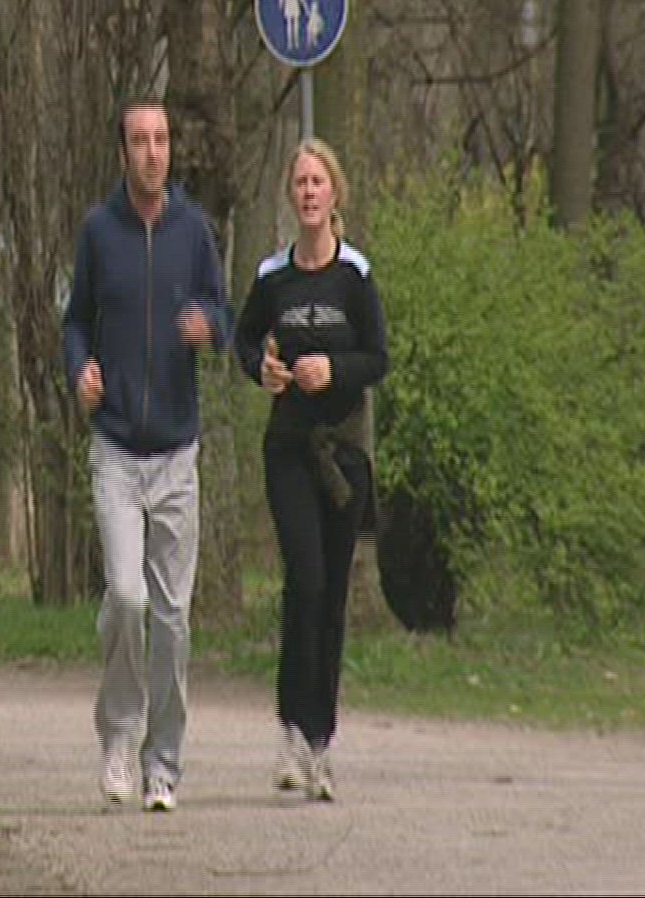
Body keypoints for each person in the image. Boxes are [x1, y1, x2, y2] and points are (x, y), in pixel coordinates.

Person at [62, 100, 232, 812]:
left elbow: (224, 315)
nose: (152, 151)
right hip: (115, 448)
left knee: (171, 617)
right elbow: (76, 321)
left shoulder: (194, 230)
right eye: (139, 140)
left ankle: (163, 762)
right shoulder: (100, 232)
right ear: (123, 152)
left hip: (176, 451)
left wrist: (207, 327)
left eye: (161, 139)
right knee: (126, 597)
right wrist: (81, 370)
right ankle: (118, 739)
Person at [233, 138, 388, 801]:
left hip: (343, 456)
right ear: (290, 196)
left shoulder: (355, 275)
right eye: (299, 183)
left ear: (334, 193)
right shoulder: (275, 276)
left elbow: (378, 357)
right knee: (305, 580)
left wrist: (335, 369)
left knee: (331, 598)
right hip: (290, 448)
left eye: (317, 182)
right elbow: (245, 339)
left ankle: (322, 740)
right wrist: (262, 370)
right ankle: (291, 733)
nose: (308, 193)